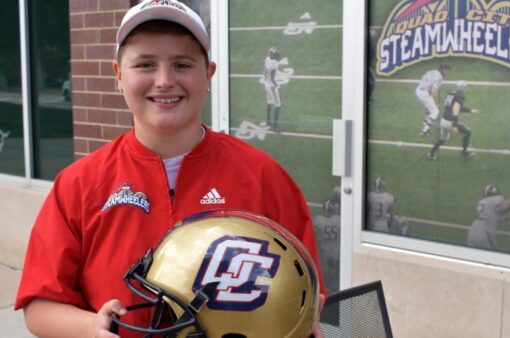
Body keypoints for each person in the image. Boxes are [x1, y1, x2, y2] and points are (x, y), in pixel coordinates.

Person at [14, 1, 325, 337]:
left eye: (182, 64)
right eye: (145, 64)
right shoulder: (78, 184)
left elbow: (308, 295)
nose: (164, 81)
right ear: (119, 76)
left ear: (209, 74)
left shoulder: (264, 177)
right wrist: (90, 327)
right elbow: (39, 306)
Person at [427, 80, 479, 160]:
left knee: (443, 139)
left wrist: (470, 111)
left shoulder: (451, 93)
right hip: (450, 122)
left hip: (443, 121)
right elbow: (455, 110)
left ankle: (431, 154)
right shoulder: (460, 96)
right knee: (468, 132)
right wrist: (454, 126)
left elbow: (455, 107)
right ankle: (464, 153)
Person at [467, 184, 510, 250]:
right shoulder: (497, 199)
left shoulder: (482, 201)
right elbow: (504, 207)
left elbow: (492, 214)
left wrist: (508, 219)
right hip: (484, 233)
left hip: (473, 231)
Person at [313, 199, 341, 293]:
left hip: (326, 252)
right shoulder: (338, 219)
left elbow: (314, 233)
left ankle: (328, 291)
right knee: (335, 274)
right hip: (337, 252)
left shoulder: (319, 220)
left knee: (326, 274)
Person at [415, 62, 450, 137]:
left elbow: (423, 78)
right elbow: (434, 91)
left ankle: (425, 122)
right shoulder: (439, 78)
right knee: (435, 111)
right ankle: (424, 131)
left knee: (429, 107)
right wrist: (437, 103)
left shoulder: (433, 71)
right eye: (446, 69)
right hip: (424, 93)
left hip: (419, 89)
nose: (447, 71)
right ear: (442, 70)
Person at [263, 47, 283, 131]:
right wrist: (277, 86)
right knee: (278, 105)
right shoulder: (274, 63)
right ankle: (275, 126)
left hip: (266, 84)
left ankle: (268, 121)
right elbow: (272, 78)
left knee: (269, 102)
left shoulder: (267, 59)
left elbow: (265, 72)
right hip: (271, 86)